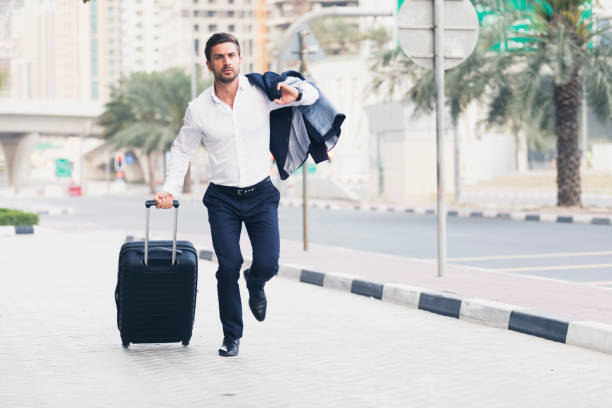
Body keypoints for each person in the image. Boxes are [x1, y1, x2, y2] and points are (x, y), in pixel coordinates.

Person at [153, 33, 320, 357]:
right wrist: (168, 190)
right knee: (228, 265)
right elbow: (181, 150)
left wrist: (295, 91)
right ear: (209, 64)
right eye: (219, 56)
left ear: (240, 59)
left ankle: (256, 283)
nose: (226, 61)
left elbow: (312, 95)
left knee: (268, 263)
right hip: (223, 199)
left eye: (231, 55)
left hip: (261, 194)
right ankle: (232, 336)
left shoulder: (262, 93)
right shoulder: (199, 108)